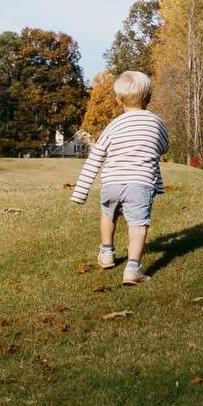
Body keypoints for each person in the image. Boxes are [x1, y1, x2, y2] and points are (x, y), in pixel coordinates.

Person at [69, 69, 168, 284]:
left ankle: (106, 253)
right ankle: (133, 269)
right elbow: (163, 146)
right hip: (140, 184)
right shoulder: (157, 123)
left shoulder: (113, 125)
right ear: (149, 98)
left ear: (118, 99)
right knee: (138, 225)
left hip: (111, 183)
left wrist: (80, 192)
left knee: (108, 214)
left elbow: (96, 157)